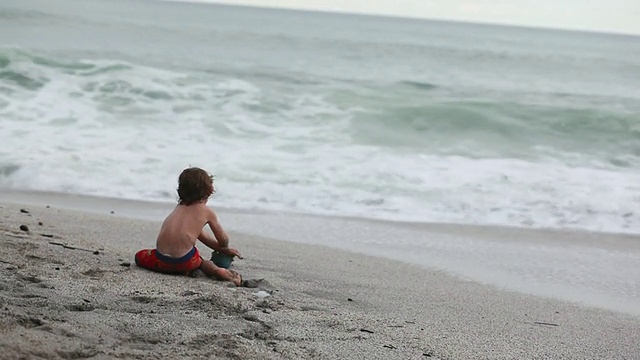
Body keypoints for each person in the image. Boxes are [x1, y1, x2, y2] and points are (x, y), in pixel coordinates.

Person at [135, 167, 243, 286]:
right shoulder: (207, 212)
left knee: (139, 256)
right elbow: (223, 240)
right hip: (185, 261)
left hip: (161, 261)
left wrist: (219, 248)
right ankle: (217, 271)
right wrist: (224, 248)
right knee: (201, 262)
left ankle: (179, 268)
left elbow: (199, 235)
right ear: (208, 192)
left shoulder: (178, 208)